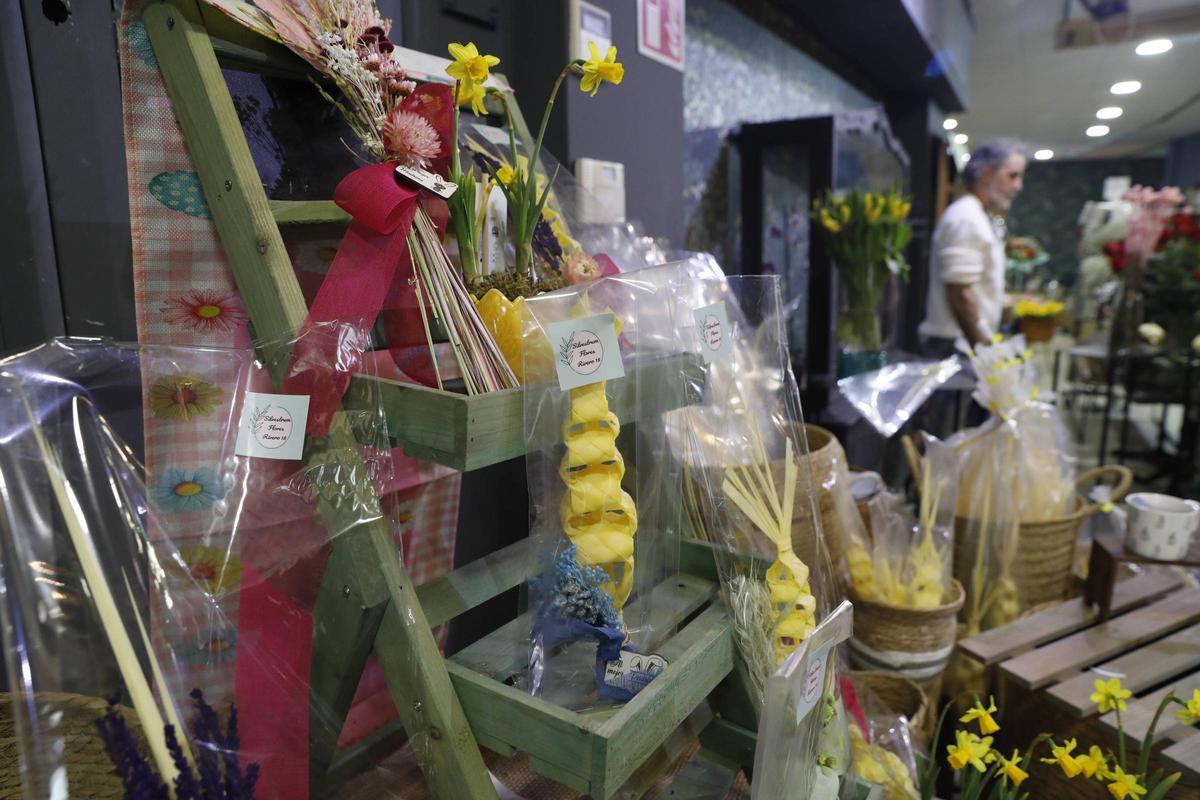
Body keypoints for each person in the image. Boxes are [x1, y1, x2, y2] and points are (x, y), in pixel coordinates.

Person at [919, 139, 1027, 356]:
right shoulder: (967, 218)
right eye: (1012, 175)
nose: (1018, 186)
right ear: (987, 173)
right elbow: (960, 293)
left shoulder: (977, 215)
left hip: (961, 341)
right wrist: (983, 351)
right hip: (954, 344)